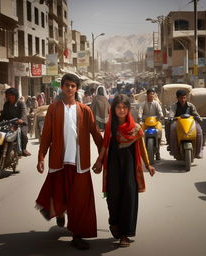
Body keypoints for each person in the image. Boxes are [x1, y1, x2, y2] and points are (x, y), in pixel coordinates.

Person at [36, 73, 103, 250]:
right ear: (62, 87)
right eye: (67, 85)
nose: (70, 88)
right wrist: (41, 157)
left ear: (77, 89)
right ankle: (59, 211)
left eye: (73, 86)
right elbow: (46, 135)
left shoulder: (85, 110)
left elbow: (96, 134)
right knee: (59, 193)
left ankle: (77, 235)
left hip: (80, 164)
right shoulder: (54, 108)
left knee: (80, 201)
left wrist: (101, 157)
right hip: (59, 161)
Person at [92, 94, 155, 248]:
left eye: (124, 108)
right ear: (114, 109)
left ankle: (125, 233)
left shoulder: (136, 128)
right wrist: (99, 161)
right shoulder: (110, 125)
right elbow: (105, 145)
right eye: (118, 107)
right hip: (113, 165)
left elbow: (142, 148)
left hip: (130, 167)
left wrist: (148, 165)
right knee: (113, 197)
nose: (121, 110)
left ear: (128, 109)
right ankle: (113, 222)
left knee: (129, 197)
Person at [168, 89, 203, 159]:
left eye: (184, 97)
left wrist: (199, 118)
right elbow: (171, 114)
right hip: (178, 123)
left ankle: (199, 151)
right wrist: (171, 117)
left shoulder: (190, 106)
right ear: (177, 98)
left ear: (186, 97)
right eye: (181, 98)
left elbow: (195, 114)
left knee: (199, 131)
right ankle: (174, 150)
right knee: (172, 129)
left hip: (191, 123)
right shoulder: (174, 106)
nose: (183, 99)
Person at [0, 88, 31, 157]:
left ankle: (23, 149)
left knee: (23, 134)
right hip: (8, 123)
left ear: (16, 96)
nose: (10, 97)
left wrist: (21, 120)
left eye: (12, 95)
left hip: (20, 123)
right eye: (8, 95)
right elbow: (3, 115)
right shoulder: (6, 104)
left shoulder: (21, 103)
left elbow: (23, 113)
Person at [138, 88, 164, 160]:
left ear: (154, 95)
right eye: (149, 95)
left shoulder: (156, 103)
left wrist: (161, 115)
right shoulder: (143, 103)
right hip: (146, 122)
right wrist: (140, 117)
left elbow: (160, 111)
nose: (151, 96)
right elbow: (140, 111)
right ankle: (143, 150)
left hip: (155, 122)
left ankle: (158, 152)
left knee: (160, 133)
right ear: (147, 95)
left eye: (152, 95)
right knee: (141, 135)